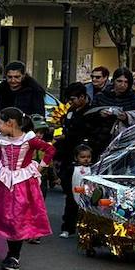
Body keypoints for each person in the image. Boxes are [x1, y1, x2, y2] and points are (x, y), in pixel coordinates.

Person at [0, 106, 54, 270]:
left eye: (0, 123)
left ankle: (13, 256)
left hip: (22, 182)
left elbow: (50, 149)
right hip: (3, 181)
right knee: (5, 215)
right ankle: (8, 252)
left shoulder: (29, 139)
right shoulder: (0, 138)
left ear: (10, 123)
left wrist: (41, 166)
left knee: (17, 218)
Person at [53, 82, 91, 238]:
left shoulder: (91, 113)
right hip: (70, 157)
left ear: (82, 97)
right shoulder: (70, 111)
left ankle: (85, 227)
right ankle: (68, 226)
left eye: (73, 99)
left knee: (87, 195)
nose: (71, 103)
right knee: (70, 194)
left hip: (85, 157)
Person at [85, 67, 135, 155]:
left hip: (126, 141)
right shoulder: (101, 96)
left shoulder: (134, 98)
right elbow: (89, 117)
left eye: (126, 82)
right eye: (119, 81)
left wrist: (127, 117)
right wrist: (99, 114)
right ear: (113, 81)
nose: (122, 85)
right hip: (102, 141)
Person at [61, 143, 94, 238]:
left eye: (88, 157)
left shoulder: (92, 168)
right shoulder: (72, 168)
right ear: (76, 158)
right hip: (73, 194)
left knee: (86, 214)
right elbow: (66, 180)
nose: (86, 159)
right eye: (82, 157)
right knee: (70, 212)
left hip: (87, 195)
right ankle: (67, 229)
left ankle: (84, 230)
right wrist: (67, 191)